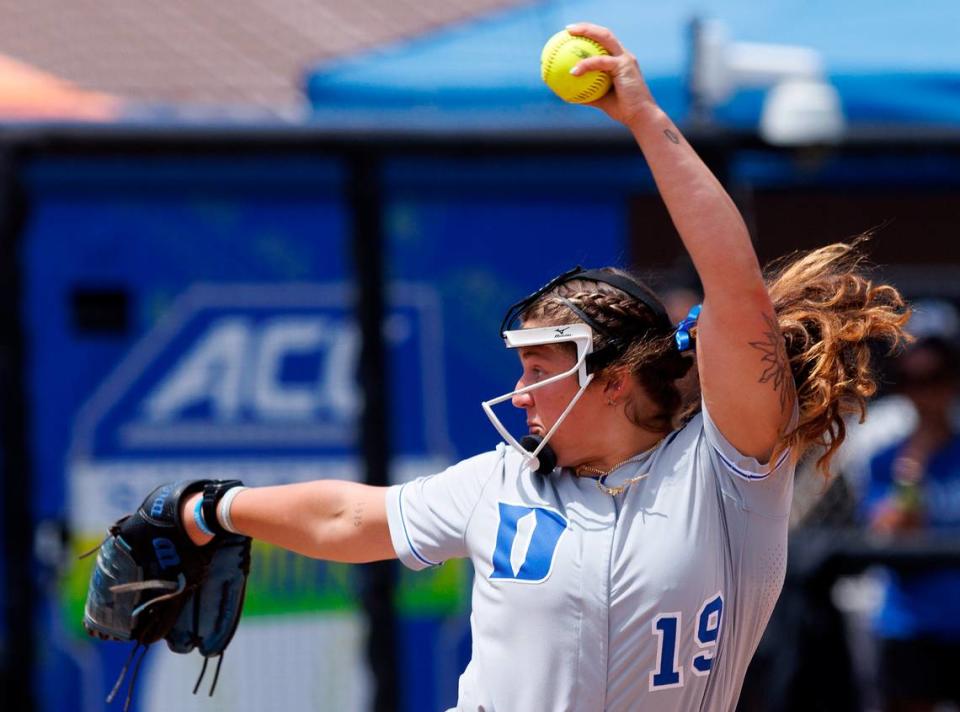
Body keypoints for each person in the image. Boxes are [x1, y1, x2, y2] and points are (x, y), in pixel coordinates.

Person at [164, 23, 909, 711]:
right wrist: (209, 509)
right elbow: (349, 517)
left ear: (612, 379)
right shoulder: (502, 481)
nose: (518, 395)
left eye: (539, 370)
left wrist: (646, 121)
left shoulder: (724, 473)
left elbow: (735, 288)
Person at [862, 336, 960, 712]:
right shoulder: (887, 461)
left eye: (936, 378)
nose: (926, 394)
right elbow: (887, 534)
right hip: (911, 622)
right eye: (913, 382)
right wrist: (912, 471)